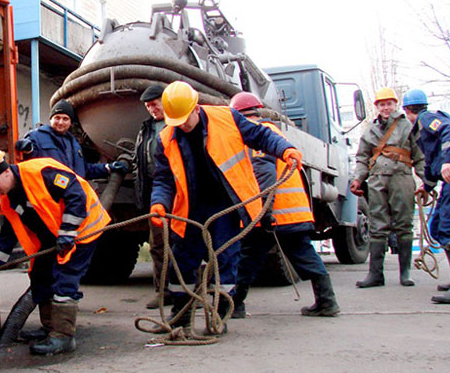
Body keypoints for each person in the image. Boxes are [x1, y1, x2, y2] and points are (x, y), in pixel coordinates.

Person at [149, 81, 301, 331]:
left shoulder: (227, 117)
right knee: (181, 260)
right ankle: (181, 318)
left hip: (225, 205)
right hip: (189, 209)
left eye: (185, 119)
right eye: (176, 121)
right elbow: (164, 178)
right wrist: (159, 203)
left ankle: (220, 316)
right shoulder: (166, 136)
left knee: (225, 259)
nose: (182, 126)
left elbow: (260, 135)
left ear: (196, 107)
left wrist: (286, 150)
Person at [0, 144, 111, 355]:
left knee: (64, 278)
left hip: (83, 230)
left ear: (5, 172)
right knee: (40, 275)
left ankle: (63, 337)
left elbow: (76, 194)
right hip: (56, 236)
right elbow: (7, 238)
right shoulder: (9, 200)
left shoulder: (41, 172)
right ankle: (50, 328)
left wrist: (68, 231)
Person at [229, 92, 340, 318]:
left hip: (274, 214)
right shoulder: (273, 130)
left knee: (247, 259)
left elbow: (264, 174)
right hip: (292, 213)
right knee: (303, 255)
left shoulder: (255, 135)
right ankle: (327, 301)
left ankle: (235, 305)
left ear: (237, 115)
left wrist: (264, 212)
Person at [350, 87, 426, 288]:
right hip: (376, 181)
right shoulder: (370, 130)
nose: (385, 108)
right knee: (377, 227)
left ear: (395, 105)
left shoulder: (407, 127)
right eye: (382, 104)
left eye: (389, 104)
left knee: (403, 225)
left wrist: (427, 183)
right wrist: (358, 178)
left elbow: (420, 156)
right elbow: (362, 158)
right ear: (377, 107)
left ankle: (405, 274)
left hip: (401, 178)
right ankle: (375, 275)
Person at [402, 89, 450, 304]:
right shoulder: (422, 128)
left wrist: (449, 161)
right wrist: (427, 186)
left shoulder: (428, 118)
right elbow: (433, 163)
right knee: (438, 225)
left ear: (406, 110)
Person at [15, 99, 127, 179]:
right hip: (49, 198)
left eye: (65, 119)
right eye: (57, 118)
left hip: (72, 197)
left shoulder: (74, 144)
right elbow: (29, 160)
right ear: (50, 119)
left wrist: (108, 167)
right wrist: (28, 149)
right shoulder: (37, 136)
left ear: (70, 122)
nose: (60, 122)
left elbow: (84, 170)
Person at [134, 84, 172, 309]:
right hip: (156, 195)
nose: (151, 109)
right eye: (148, 107)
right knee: (158, 244)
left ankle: (192, 291)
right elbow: (140, 160)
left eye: (154, 104)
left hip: (180, 195)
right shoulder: (147, 128)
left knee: (184, 244)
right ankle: (163, 292)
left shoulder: (179, 123)